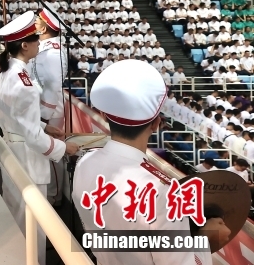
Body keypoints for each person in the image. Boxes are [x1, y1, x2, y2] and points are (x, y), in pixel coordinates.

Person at [73, 59, 211, 265]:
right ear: (156, 124)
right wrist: (205, 241)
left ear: (104, 116)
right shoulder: (163, 191)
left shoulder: (84, 162)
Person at [0, 11, 77, 265]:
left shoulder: (3, 71)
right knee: (33, 227)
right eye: (35, 40)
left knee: (16, 215)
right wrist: (63, 148)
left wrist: (44, 126)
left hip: (11, 149)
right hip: (28, 159)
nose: (39, 43)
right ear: (25, 45)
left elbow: (14, 115)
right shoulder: (25, 85)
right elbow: (33, 139)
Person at [30, 8, 68, 206]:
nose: (34, 22)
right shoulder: (46, 48)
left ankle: (54, 196)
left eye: (37, 20)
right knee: (45, 150)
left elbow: (53, 86)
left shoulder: (52, 52)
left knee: (52, 153)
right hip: (44, 106)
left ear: (44, 28)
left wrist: (44, 115)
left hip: (50, 110)